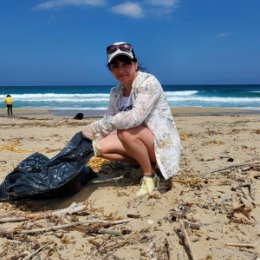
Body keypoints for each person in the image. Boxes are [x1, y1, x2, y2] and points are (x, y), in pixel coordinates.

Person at [82, 42, 181, 196]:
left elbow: (134, 118)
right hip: (140, 141)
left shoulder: (149, 83)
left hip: (161, 143)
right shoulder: (115, 92)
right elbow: (109, 118)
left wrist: (95, 127)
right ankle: (140, 164)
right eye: (115, 66)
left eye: (125, 64)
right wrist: (91, 137)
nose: (121, 70)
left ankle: (150, 175)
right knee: (97, 146)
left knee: (125, 133)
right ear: (110, 69)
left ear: (135, 64)